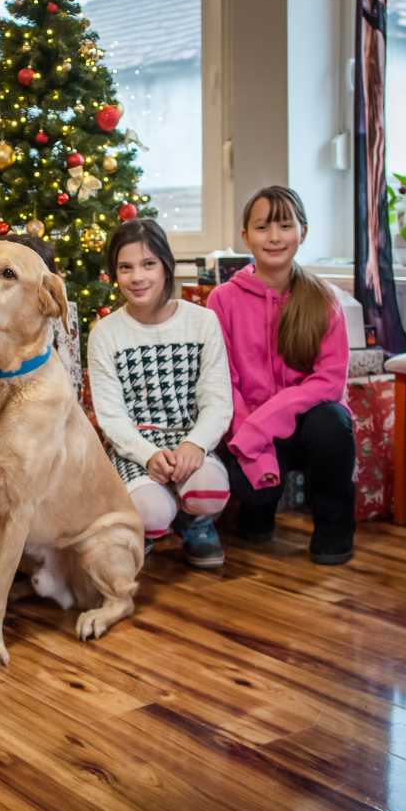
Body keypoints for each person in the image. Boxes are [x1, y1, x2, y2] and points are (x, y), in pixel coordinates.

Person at [208, 185, 355, 564]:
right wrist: (251, 438)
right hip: (246, 428)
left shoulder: (324, 299)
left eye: (285, 226)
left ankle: (334, 531)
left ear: (303, 232)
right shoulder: (222, 300)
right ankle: (258, 514)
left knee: (333, 422)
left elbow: (329, 381)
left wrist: (267, 421)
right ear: (245, 236)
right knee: (254, 505)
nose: (274, 237)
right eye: (262, 227)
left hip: (305, 427)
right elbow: (223, 382)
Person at [87, 219, 233, 567]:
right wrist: (148, 454)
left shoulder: (202, 322)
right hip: (135, 447)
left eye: (148, 264)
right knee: (150, 513)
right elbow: (111, 416)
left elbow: (216, 400)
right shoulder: (105, 333)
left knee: (209, 490)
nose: (137, 277)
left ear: (166, 266)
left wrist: (195, 444)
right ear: (114, 273)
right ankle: (151, 526)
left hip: (188, 441)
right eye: (125, 267)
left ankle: (196, 522)